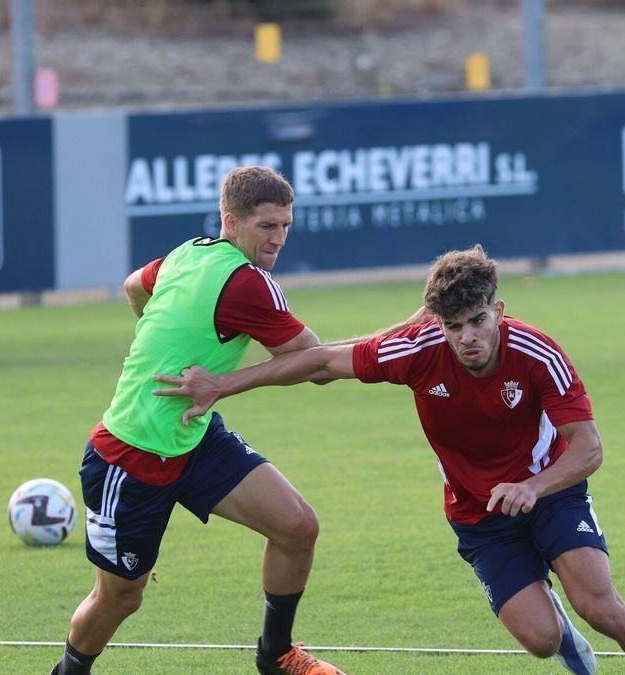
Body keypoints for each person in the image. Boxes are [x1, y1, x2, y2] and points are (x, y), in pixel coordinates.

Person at [154, 245, 625, 675]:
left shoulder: (539, 353)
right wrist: (222, 385)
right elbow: (318, 362)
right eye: (453, 325)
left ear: (499, 312)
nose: (467, 337)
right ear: (436, 324)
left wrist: (534, 486)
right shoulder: (415, 351)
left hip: (549, 491)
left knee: (600, 606)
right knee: (539, 640)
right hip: (477, 513)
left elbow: (589, 448)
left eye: (478, 322)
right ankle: (554, 623)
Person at [53, 166, 414, 675]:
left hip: (194, 436)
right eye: (267, 226)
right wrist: (410, 328)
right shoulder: (247, 284)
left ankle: (277, 655)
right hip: (129, 457)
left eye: (286, 225)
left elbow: (134, 287)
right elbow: (318, 366)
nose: (279, 238)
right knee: (119, 598)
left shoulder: (189, 252)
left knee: (296, 526)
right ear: (232, 221)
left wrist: (168, 339)